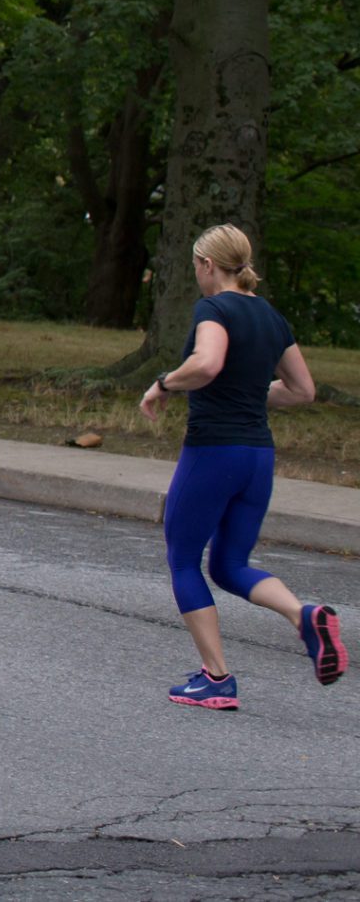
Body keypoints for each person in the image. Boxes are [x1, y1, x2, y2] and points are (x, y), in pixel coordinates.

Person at [142, 224, 344, 708]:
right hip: (258, 456)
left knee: (183, 558)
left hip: (214, 451)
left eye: (196, 266)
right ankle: (305, 615)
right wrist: (250, 393)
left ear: (208, 265)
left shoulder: (214, 308)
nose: (196, 275)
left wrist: (164, 383)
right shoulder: (270, 316)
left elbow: (207, 364)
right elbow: (302, 390)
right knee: (230, 565)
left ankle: (216, 677)